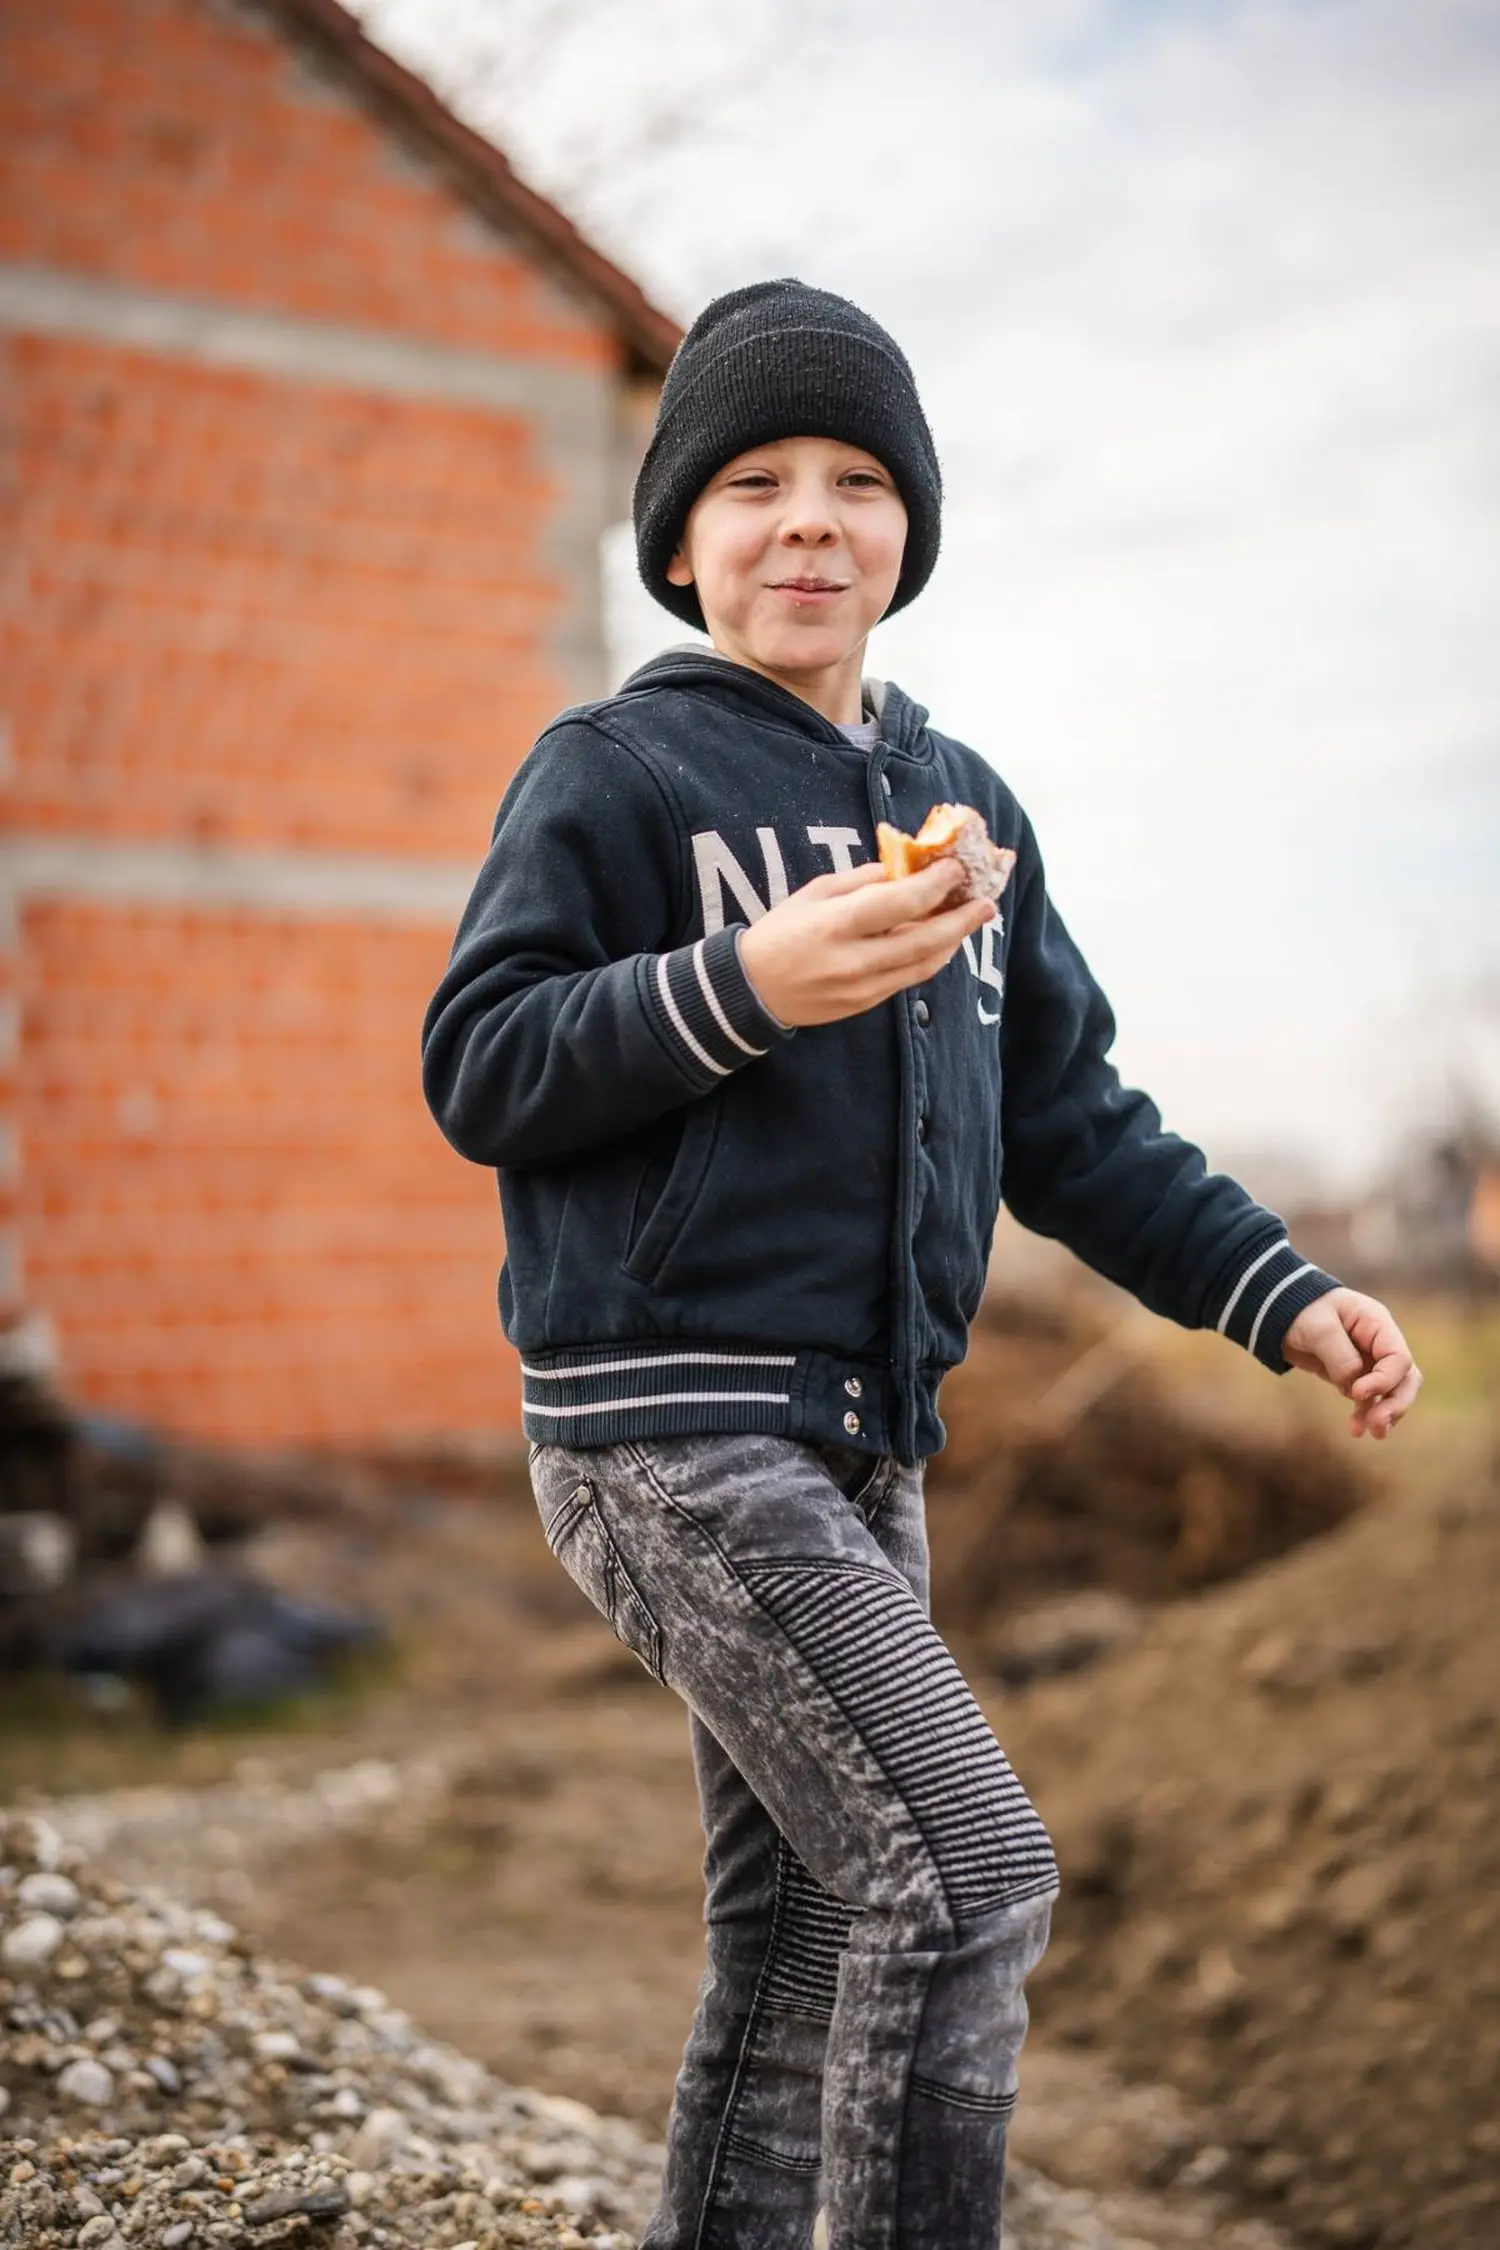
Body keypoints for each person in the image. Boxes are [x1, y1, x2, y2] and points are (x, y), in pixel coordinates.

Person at [421, 279, 1421, 2250]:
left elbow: (1073, 1123)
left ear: (908, 534)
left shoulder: (967, 825)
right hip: (671, 1430)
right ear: (681, 541)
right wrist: (739, 982)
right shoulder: (615, 773)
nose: (809, 516)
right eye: (756, 481)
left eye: (858, 481)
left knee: (811, 1928)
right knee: (964, 1882)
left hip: (869, 1442)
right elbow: (483, 1061)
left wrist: (1282, 1293)